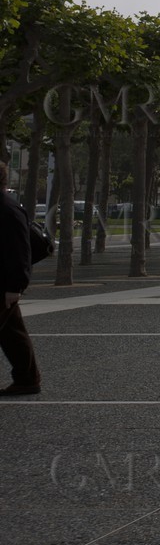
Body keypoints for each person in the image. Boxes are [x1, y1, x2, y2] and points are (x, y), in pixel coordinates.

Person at [0, 161, 43, 396]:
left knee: (13, 334)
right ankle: (28, 379)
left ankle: (28, 379)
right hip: (5, 283)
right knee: (12, 334)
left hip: (4, 284)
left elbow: (19, 251)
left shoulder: (7, 208)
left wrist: (15, 286)